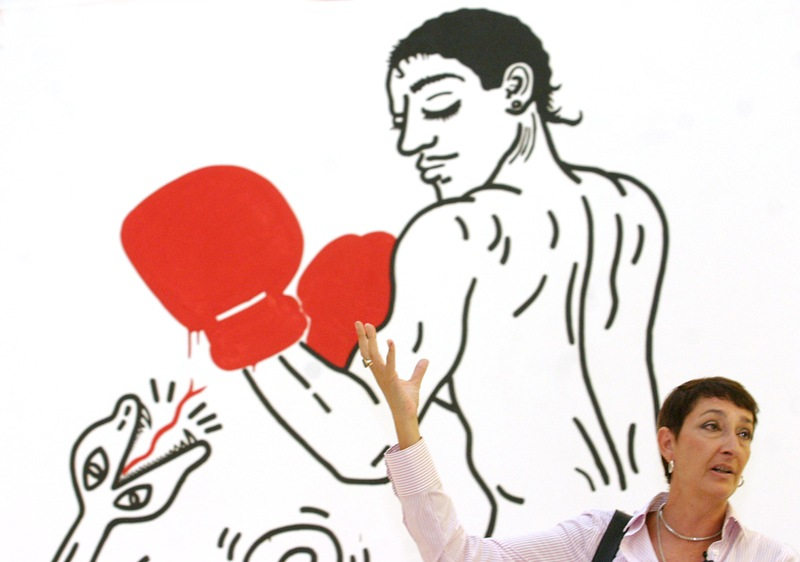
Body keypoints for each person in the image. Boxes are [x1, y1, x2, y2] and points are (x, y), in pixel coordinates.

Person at [246, 7, 667, 535]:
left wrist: (247, 326)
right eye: (402, 120)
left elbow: (362, 443)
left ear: (515, 88)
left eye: (438, 107)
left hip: (541, 541)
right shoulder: (626, 207)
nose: (412, 141)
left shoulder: (458, 232)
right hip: (646, 535)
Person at [355, 320, 798, 561]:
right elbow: (459, 557)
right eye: (712, 426)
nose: (732, 445)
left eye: (744, 433)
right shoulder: (600, 540)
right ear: (668, 444)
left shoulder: (769, 557)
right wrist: (405, 422)